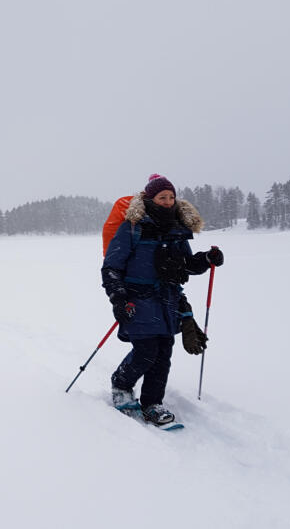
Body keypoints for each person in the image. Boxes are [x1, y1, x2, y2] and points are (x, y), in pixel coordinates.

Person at [101, 174, 224, 427]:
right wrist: (117, 297)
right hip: (137, 300)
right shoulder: (133, 227)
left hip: (167, 301)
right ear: (149, 198)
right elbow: (111, 266)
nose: (168, 201)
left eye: (171, 197)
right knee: (147, 352)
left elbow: (186, 265)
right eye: (162, 197)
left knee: (163, 354)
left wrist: (207, 260)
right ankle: (121, 386)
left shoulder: (177, 229)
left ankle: (152, 404)